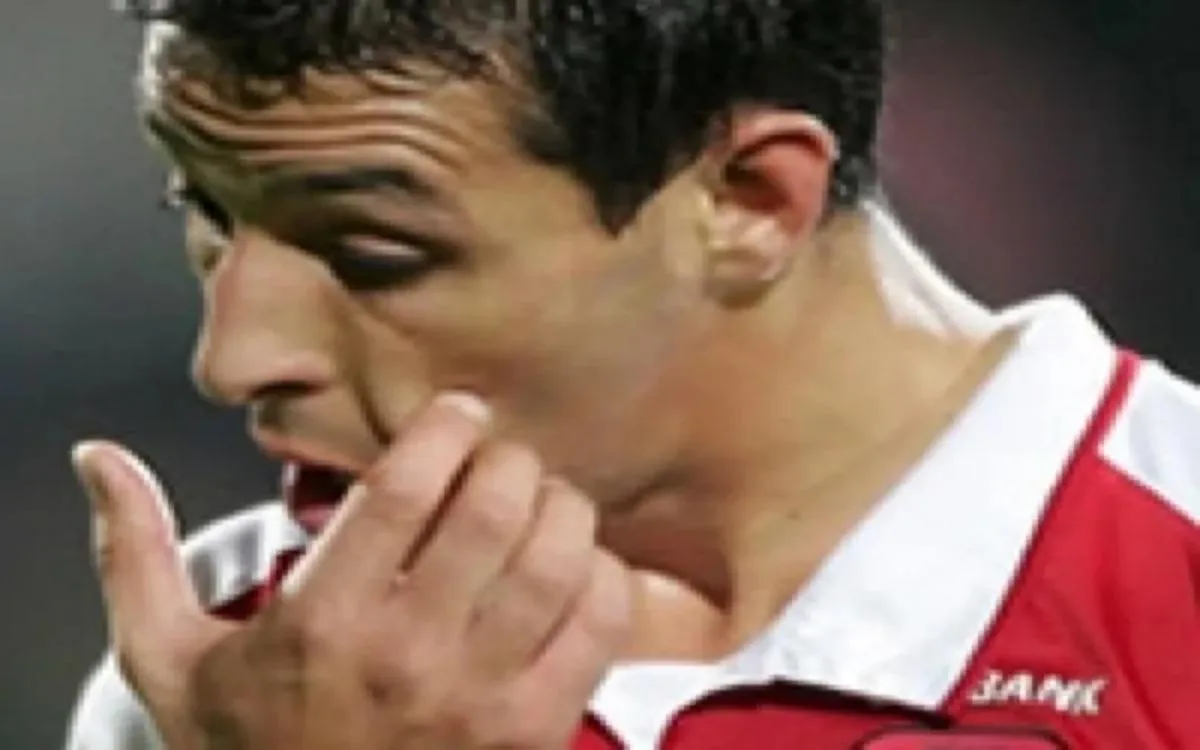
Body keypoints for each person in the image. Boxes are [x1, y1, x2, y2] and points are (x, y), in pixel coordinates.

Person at [65, 1, 1200, 748]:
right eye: (211, 218)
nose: (233, 359)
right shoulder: (241, 668)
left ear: (752, 201)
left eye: (375, 255)